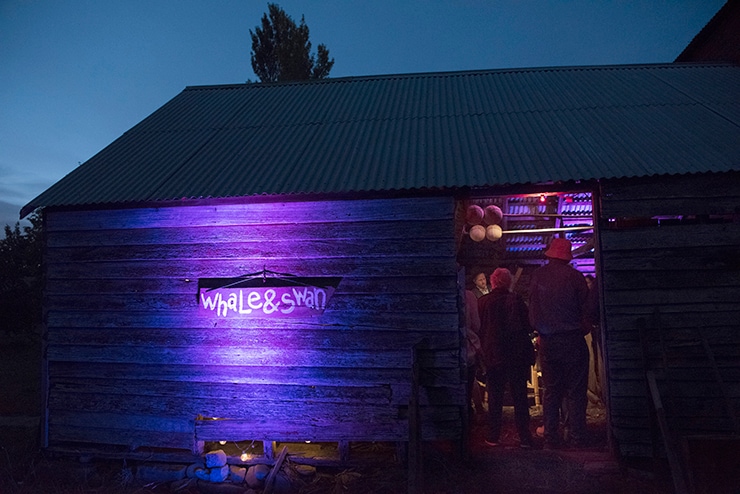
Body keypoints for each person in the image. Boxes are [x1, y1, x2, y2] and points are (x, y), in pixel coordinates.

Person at [528, 238, 590, 449]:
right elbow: (586, 310)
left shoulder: (538, 276)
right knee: (576, 391)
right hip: (573, 341)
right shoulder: (575, 277)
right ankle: (577, 437)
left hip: (548, 341)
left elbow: (532, 312)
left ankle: (550, 437)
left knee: (551, 391)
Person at [478, 267, 536, 448]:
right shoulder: (516, 300)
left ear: (493, 282)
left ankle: (493, 436)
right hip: (517, 355)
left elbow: (478, 328)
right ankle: (525, 437)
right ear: (509, 282)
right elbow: (529, 325)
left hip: (494, 355)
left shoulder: (483, 302)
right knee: (520, 397)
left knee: (495, 398)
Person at [464, 289, 484, 417]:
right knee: (469, 383)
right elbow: (476, 325)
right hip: (466, 349)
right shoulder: (469, 296)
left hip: (441, 351)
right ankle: (471, 414)